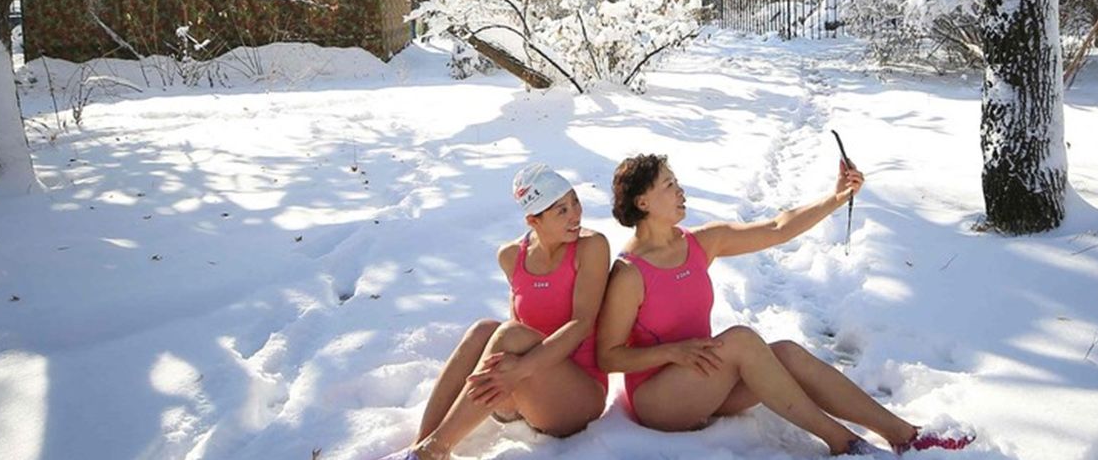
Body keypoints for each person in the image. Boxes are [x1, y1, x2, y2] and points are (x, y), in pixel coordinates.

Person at [597, 153, 971, 456]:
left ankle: (904, 434)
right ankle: (845, 443)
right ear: (642, 202)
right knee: (742, 340)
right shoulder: (631, 273)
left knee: (788, 354)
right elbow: (609, 356)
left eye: (677, 182)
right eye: (669, 185)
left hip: (707, 380)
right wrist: (674, 353)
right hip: (660, 401)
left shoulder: (699, 243)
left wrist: (836, 197)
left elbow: (777, 228)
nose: (681, 191)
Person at [384, 164, 611, 460]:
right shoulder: (511, 256)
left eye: (575, 202)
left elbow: (581, 324)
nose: (576, 215)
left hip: (575, 398)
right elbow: (517, 328)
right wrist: (515, 373)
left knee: (509, 333)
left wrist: (521, 368)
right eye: (561, 210)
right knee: (483, 330)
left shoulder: (591, 247)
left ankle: (434, 450)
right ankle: (421, 445)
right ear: (533, 220)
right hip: (522, 393)